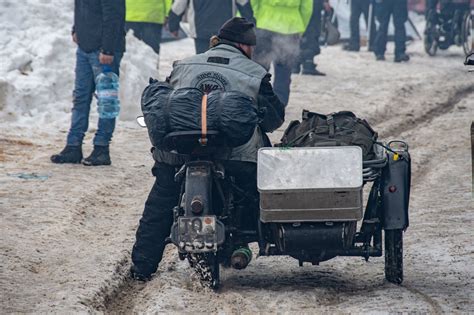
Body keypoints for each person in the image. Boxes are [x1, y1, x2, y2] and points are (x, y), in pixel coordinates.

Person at [130, 17, 285, 281]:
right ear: (243, 46)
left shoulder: (184, 65)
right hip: (235, 155)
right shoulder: (255, 73)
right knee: (252, 195)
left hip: (180, 152)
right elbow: (274, 119)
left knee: (162, 200)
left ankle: (142, 267)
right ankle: (242, 241)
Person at [51, 0, 126, 166]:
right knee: (80, 98)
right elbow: (81, 8)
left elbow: (114, 15)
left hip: (104, 51)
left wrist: (108, 48)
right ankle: (73, 146)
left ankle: (101, 148)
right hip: (84, 48)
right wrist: (76, 29)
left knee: (106, 101)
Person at [249, 0, 313, 106]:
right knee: (284, 71)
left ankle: (257, 99)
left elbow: (253, 3)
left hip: (264, 22)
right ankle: (279, 104)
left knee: (259, 69)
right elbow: (307, 8)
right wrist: (301, 27)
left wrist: (255, 19)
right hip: (291, 26)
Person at [167, 0, 254, 54]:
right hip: (225, 32)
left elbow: (178, 6)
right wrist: (250, 25)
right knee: (224, 62)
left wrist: (173, 26)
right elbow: (244, 4)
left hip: (201, 31)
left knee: (203, 62)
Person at [294, 0, 331, 76]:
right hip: (312, 4)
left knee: (298, 31)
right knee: (311, 31)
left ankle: (295, 64)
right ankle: (308, 63)